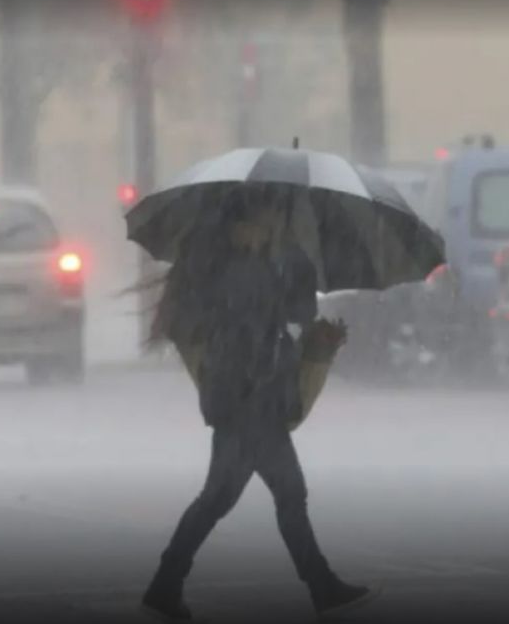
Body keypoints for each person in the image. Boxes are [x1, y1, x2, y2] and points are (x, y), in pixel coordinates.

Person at [141, 191, 374, 622]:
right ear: (245, 223)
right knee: (280, 494)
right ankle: (321, 587)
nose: (271, 226)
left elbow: (285, 320)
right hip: (249, 403)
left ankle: (166, 584)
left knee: (223, 498)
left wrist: (293, 275)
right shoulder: (242, 270)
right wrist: (290, 271)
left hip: (251, 400)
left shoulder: (255, 262)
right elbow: (269, 323)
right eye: (268, 218)